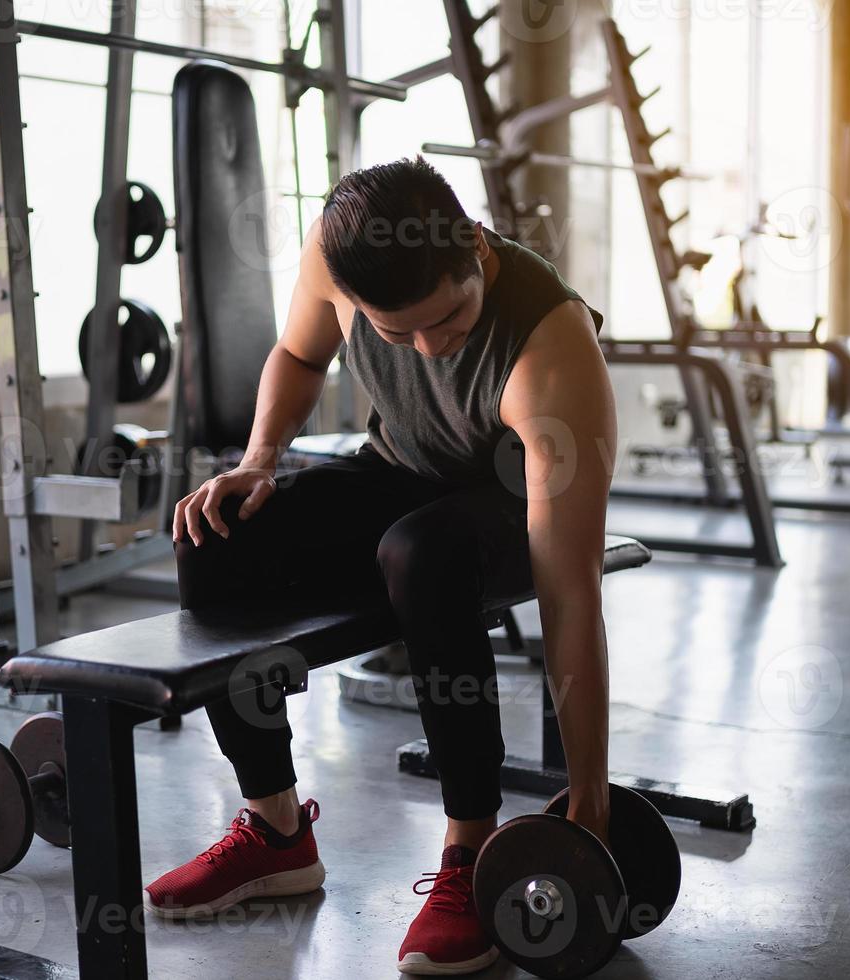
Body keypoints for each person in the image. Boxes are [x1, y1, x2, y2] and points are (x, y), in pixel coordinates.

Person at [143, 157, 617, 976]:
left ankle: (470, 848)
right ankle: (276, 829)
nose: (431, 347)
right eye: (400, 334)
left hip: (504, 506)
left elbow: (570, 596)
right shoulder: (332, 260)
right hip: (399, 474)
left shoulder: (551, 351)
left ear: (473, 245)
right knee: (212, 533)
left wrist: (591, 790)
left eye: (452, 318)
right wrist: (258, 461)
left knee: (421, 551)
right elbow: (297, 356)